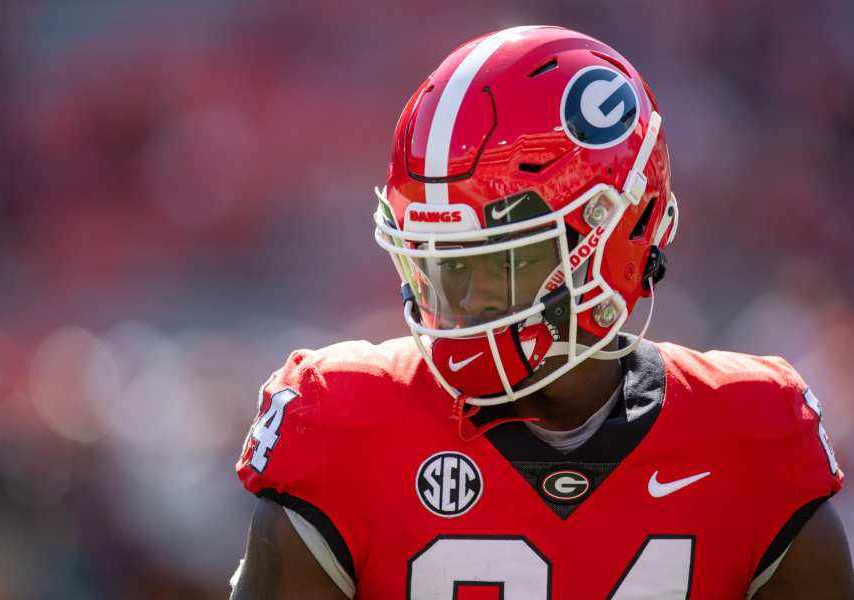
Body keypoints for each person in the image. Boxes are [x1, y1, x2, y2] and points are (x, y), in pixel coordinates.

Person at [230, 26, 852, 599]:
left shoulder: (751, 441)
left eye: (503, 263)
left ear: (618, 233)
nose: (462, 302)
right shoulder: (343, 426)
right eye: (442, 264)